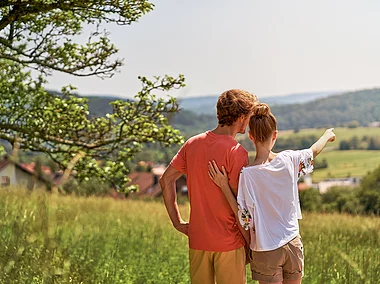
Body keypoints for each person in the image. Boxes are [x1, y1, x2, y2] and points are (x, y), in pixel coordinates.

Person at [208, 103, 336, 284]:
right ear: (274, 135)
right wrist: (327, 135)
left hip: (265, 249)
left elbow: (244, 219)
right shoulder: (289, 160)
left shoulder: (247, 175)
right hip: (293, 243)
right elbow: (313, 151)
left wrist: (223, 186)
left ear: (251, 137)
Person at [159, 89, 259, 284]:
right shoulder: (237, 153)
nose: (250, 122)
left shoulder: (192, 144)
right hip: (229, 243)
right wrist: (250, 243)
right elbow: (241, 206)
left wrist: (177, 222)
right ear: (240, 117)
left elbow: (165, 180)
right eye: (249, 116)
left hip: (198, 241)